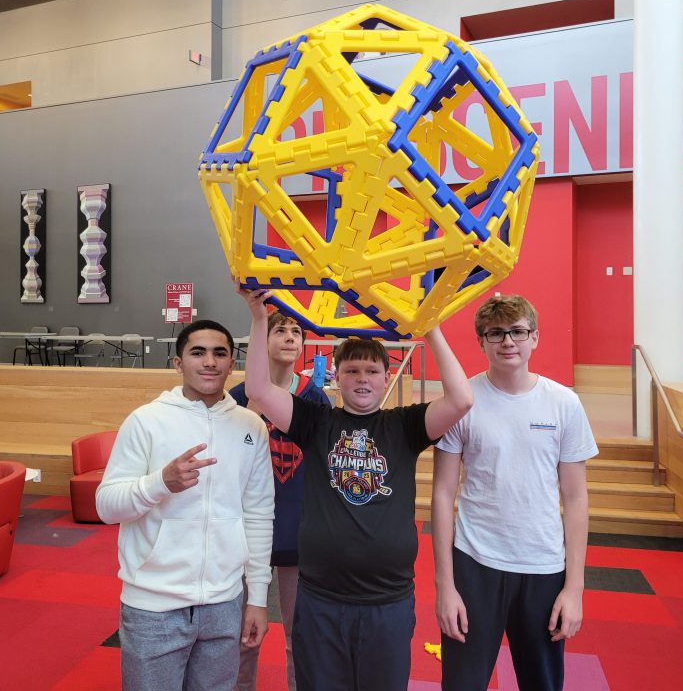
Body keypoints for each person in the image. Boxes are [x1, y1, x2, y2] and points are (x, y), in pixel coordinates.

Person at [238, 284, 473, 691]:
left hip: (388, 601)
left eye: (371, 371)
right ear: (337, 376)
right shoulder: (317, 422)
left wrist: (430, 327)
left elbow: (462, 399)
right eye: (352, 370)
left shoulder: (403, 425)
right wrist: (259, 318)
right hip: (321, 599)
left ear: (386, 378)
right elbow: (259, 390)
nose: (362, 379)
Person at [96, 319, 274, 691]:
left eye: (219, 353)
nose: (209, 362)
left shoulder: (251, 426)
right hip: (153, 606)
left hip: (225, 603)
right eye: (198, 352)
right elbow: (106, 506)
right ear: (178, 363)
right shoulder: (146, 421)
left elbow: (258, 515)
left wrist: (257, 597)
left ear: (231, 364)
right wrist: (160, 483)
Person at [432, 294, 598, 691]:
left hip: (542, 565)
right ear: (482, 341)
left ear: (535, 338)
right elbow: (441, 494)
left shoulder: (564, 404)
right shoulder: (463, 402)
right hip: (475, 562)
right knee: (461, 684)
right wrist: (445, 587)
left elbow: (575, 499)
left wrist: (574, 589)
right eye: (496, 333)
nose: (508, 341)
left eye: (518, 332)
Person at [230, 311, 332, 691]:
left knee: (299, 639)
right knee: (243, 636)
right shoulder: (239, 398)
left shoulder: (314, 397)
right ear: (262, 336)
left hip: (299, 532)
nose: (290, 338)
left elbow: (324, 464)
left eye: (297, 332)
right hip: (246, 535)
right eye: (280, 330)